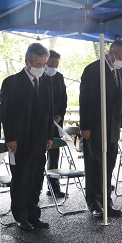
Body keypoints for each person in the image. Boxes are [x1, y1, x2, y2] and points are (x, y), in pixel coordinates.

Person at [1, 43, 53, 232]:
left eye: (44, 64)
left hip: (40, 140)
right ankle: (21, 216)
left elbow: (49, 111)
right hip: (20, 141)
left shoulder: (46, 81)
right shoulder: (12, 82)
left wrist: (49, 136)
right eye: (38, 64)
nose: (41, 68)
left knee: (36, 178)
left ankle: (33, 214)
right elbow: (6, 113)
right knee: (21, 178)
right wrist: (11, 137)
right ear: (28, 62)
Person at [79, 40, 122, 219]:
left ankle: (107, 201)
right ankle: (95, 204)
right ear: (110, 52)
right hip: (94, 127)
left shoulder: (120, 70)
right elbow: (85, 99)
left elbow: (121, 98)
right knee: (95, 166)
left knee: (108, 166)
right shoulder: (93, 69)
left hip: (113, 128)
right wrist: (85, 127)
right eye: (120, 57)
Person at [45, 50, 68, 198]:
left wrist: (59, 116)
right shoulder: (39, 76)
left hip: (55, 124)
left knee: (54, 157)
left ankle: (54, 187)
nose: (54, 68)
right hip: (40, 124)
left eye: (56, 65)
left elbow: (63, 99)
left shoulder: (59, 77)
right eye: (51, 65)